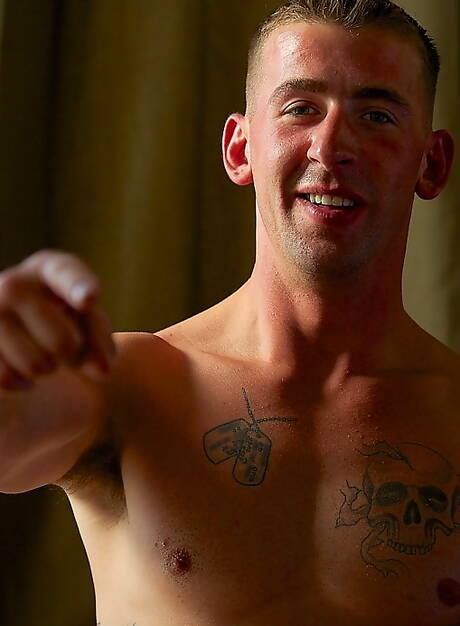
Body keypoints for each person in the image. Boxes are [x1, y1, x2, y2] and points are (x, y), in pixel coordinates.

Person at [0, 0, 458, 624]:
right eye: (300, 108)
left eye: (376, 115)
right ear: (241, 149)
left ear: (431, 163)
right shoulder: (129, 386)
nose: (332, 146)